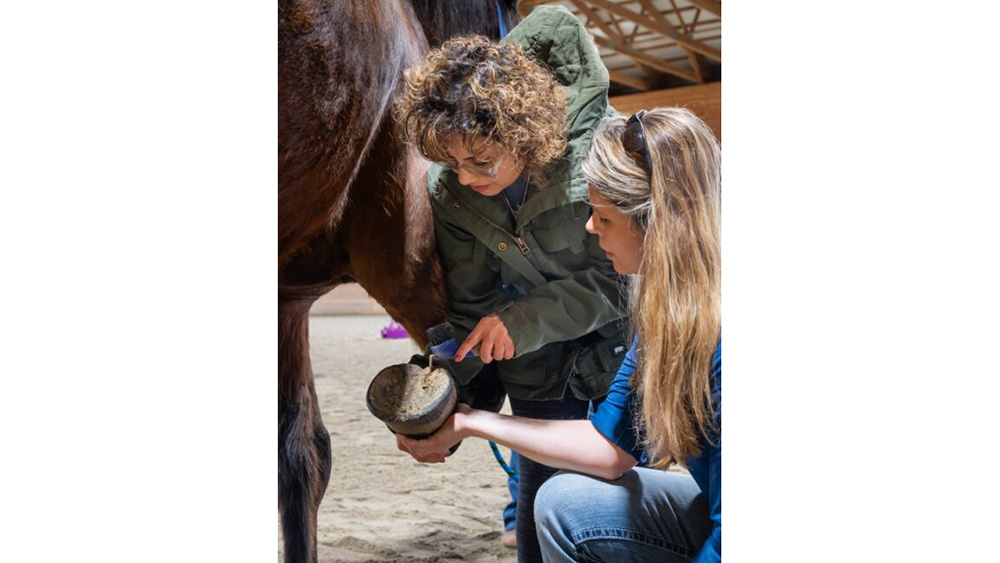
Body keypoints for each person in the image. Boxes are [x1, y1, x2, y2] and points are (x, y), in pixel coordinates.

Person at [397, 107, 723, 562]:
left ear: (659, 222)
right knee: (561, 499)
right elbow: (609, 447)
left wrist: (527, 320)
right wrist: (471, 421)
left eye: (604, 219)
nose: (590, 227)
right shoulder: (666, 313)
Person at [393, 6, 629, 562]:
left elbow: (622, 280)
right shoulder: (451, 189)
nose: (466, 178)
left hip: (617, 354)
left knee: (622, 504)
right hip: (535, 373)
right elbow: (475, 305)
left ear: (526, 136)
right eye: (451, 161)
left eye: (481, 160)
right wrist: (452, 406)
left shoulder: (597, 159)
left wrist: (520, 322)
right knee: (538, 520)